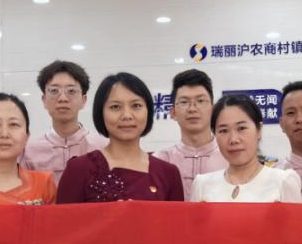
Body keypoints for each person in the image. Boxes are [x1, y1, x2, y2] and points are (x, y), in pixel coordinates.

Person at [56, 72, 184, 203]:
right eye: (115, 107)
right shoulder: (78, 169)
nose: (127, 115)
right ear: (101, 113)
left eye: (136, 106)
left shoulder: (169, 174)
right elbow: (64, 216)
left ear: (148, 111)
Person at [191, 95, 301, 202]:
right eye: (224, 130)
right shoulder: (202, 185)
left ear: (259, 130)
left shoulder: (282, 182)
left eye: (241, 128)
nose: (233, 139)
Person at [22, 60, 107, 184]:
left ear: (83, 100)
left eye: (71, 91)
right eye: (54, 91)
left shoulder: (102, 147)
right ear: (44, 100)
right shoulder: (30, 151)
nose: (63, 99)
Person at [153, 68, 227, 199]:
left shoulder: (229, 157)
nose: (192, 109)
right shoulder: (160, 160)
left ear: (213, 109)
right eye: (184, 102)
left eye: (200, 101)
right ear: (173, 113)